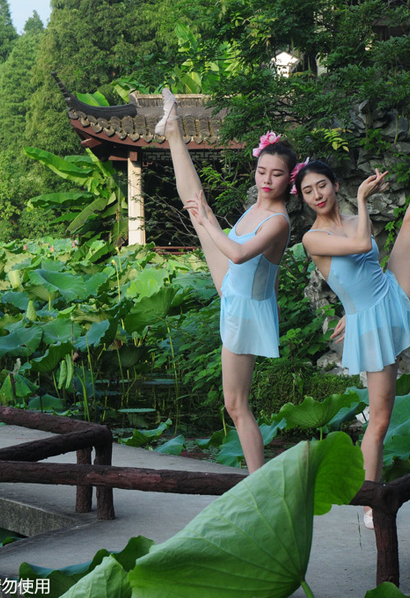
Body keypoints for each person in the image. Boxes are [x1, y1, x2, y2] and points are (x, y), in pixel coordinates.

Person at [295, 91, 410, 527]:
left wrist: (357, 211)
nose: (316, 194)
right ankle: (369, 501)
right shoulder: (312, 238)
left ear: (334, 185)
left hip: (391, 289)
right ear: (303, 198)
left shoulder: (346, 220)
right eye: (307, 191)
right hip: (370, 323)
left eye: (321, 185)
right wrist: (363, 202)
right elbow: (362, 245)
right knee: (380, 418)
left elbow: (364, 260)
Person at [156, 89, 299, 472]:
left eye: (277, 174)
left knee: (236, 405)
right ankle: (173, 130)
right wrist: (203, 218)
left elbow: (237, 254)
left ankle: (259, 482)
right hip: (236, 288)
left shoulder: (278, 221)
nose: (267, 179)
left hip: (244, 308)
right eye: (262, 171)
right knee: (196, 204)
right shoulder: (257, 206)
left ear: (290, 180)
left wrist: (207, 223)